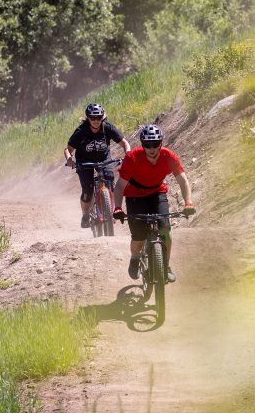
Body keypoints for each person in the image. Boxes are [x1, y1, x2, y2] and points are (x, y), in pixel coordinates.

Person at [112, 124, 195, 283]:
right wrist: (117, 207)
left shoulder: (168, 156)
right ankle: (135, 258)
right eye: (147, 145)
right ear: (142, 145)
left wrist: (188, 202)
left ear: (161, 143)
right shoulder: (132, 158)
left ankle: (165, 266)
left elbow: (183, 181)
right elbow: (120, 186)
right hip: (135, 195)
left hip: (157, 192)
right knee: (139, 236)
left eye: (155, 144)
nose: (151, 148)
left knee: (165, 230)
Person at [64, 103, 132, 228]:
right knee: (87, 191)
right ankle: (85, 215)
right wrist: (69, 159)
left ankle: (110, 209)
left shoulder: (107, 128)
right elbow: (68, 149)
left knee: (110, 179)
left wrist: (128, 154)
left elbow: (125, 143)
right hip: (84, 161)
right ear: (88, 118)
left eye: (98, 118)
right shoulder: (81, 131)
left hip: (104, 159)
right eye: (92, 118)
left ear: (102, 117)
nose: (96, 121)